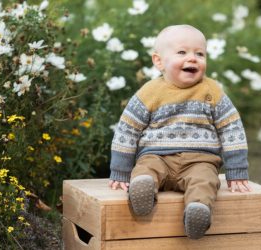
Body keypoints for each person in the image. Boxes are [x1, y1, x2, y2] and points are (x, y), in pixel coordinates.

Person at [108, 24, 252, 239]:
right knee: (146, 170)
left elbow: (231, 128)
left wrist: (236, 169)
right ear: (159, 61)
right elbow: (128, 129)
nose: (192, 58)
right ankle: (142, 190)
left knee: (205, 181)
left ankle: (197, 210)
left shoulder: (212, 91)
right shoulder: (149, 92)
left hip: (200, 161)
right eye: (182, 52)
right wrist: (121, 169)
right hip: (157, 156)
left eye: (200, 53)